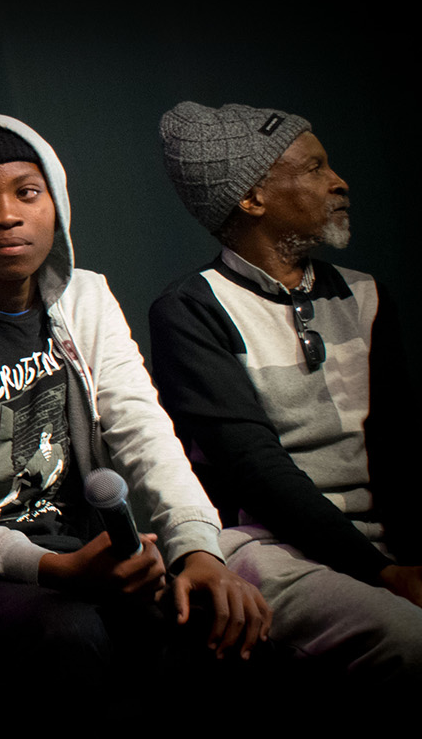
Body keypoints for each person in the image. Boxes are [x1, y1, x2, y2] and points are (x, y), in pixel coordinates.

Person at [0, 114, 269, 735]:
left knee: (206, 617)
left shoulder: (88, 299)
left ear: (56, 203)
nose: (6, 216)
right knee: (68, 632)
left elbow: (144, 432)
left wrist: (198, 550)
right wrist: (57, 571)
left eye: (27, 192)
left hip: (81, 558)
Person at [149, 101, 422, 680]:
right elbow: (255, 470)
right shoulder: (193, 309)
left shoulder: (367, 296)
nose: (339, 182)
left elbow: (400, 450)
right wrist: (381, 573)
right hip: (265, 548)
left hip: (379, 542)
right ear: (252, 198)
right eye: (315, 168)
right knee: (410, 638)